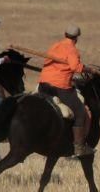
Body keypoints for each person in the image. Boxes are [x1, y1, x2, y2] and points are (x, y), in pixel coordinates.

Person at [37, 24, 96, 157]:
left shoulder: (55, 45)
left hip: (43, 84)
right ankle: (79, 147)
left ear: (65, 34)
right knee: (81, 112)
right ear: (77, 38)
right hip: (59, 87)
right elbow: (75, 67)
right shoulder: (72, 50)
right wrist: (88, 69)